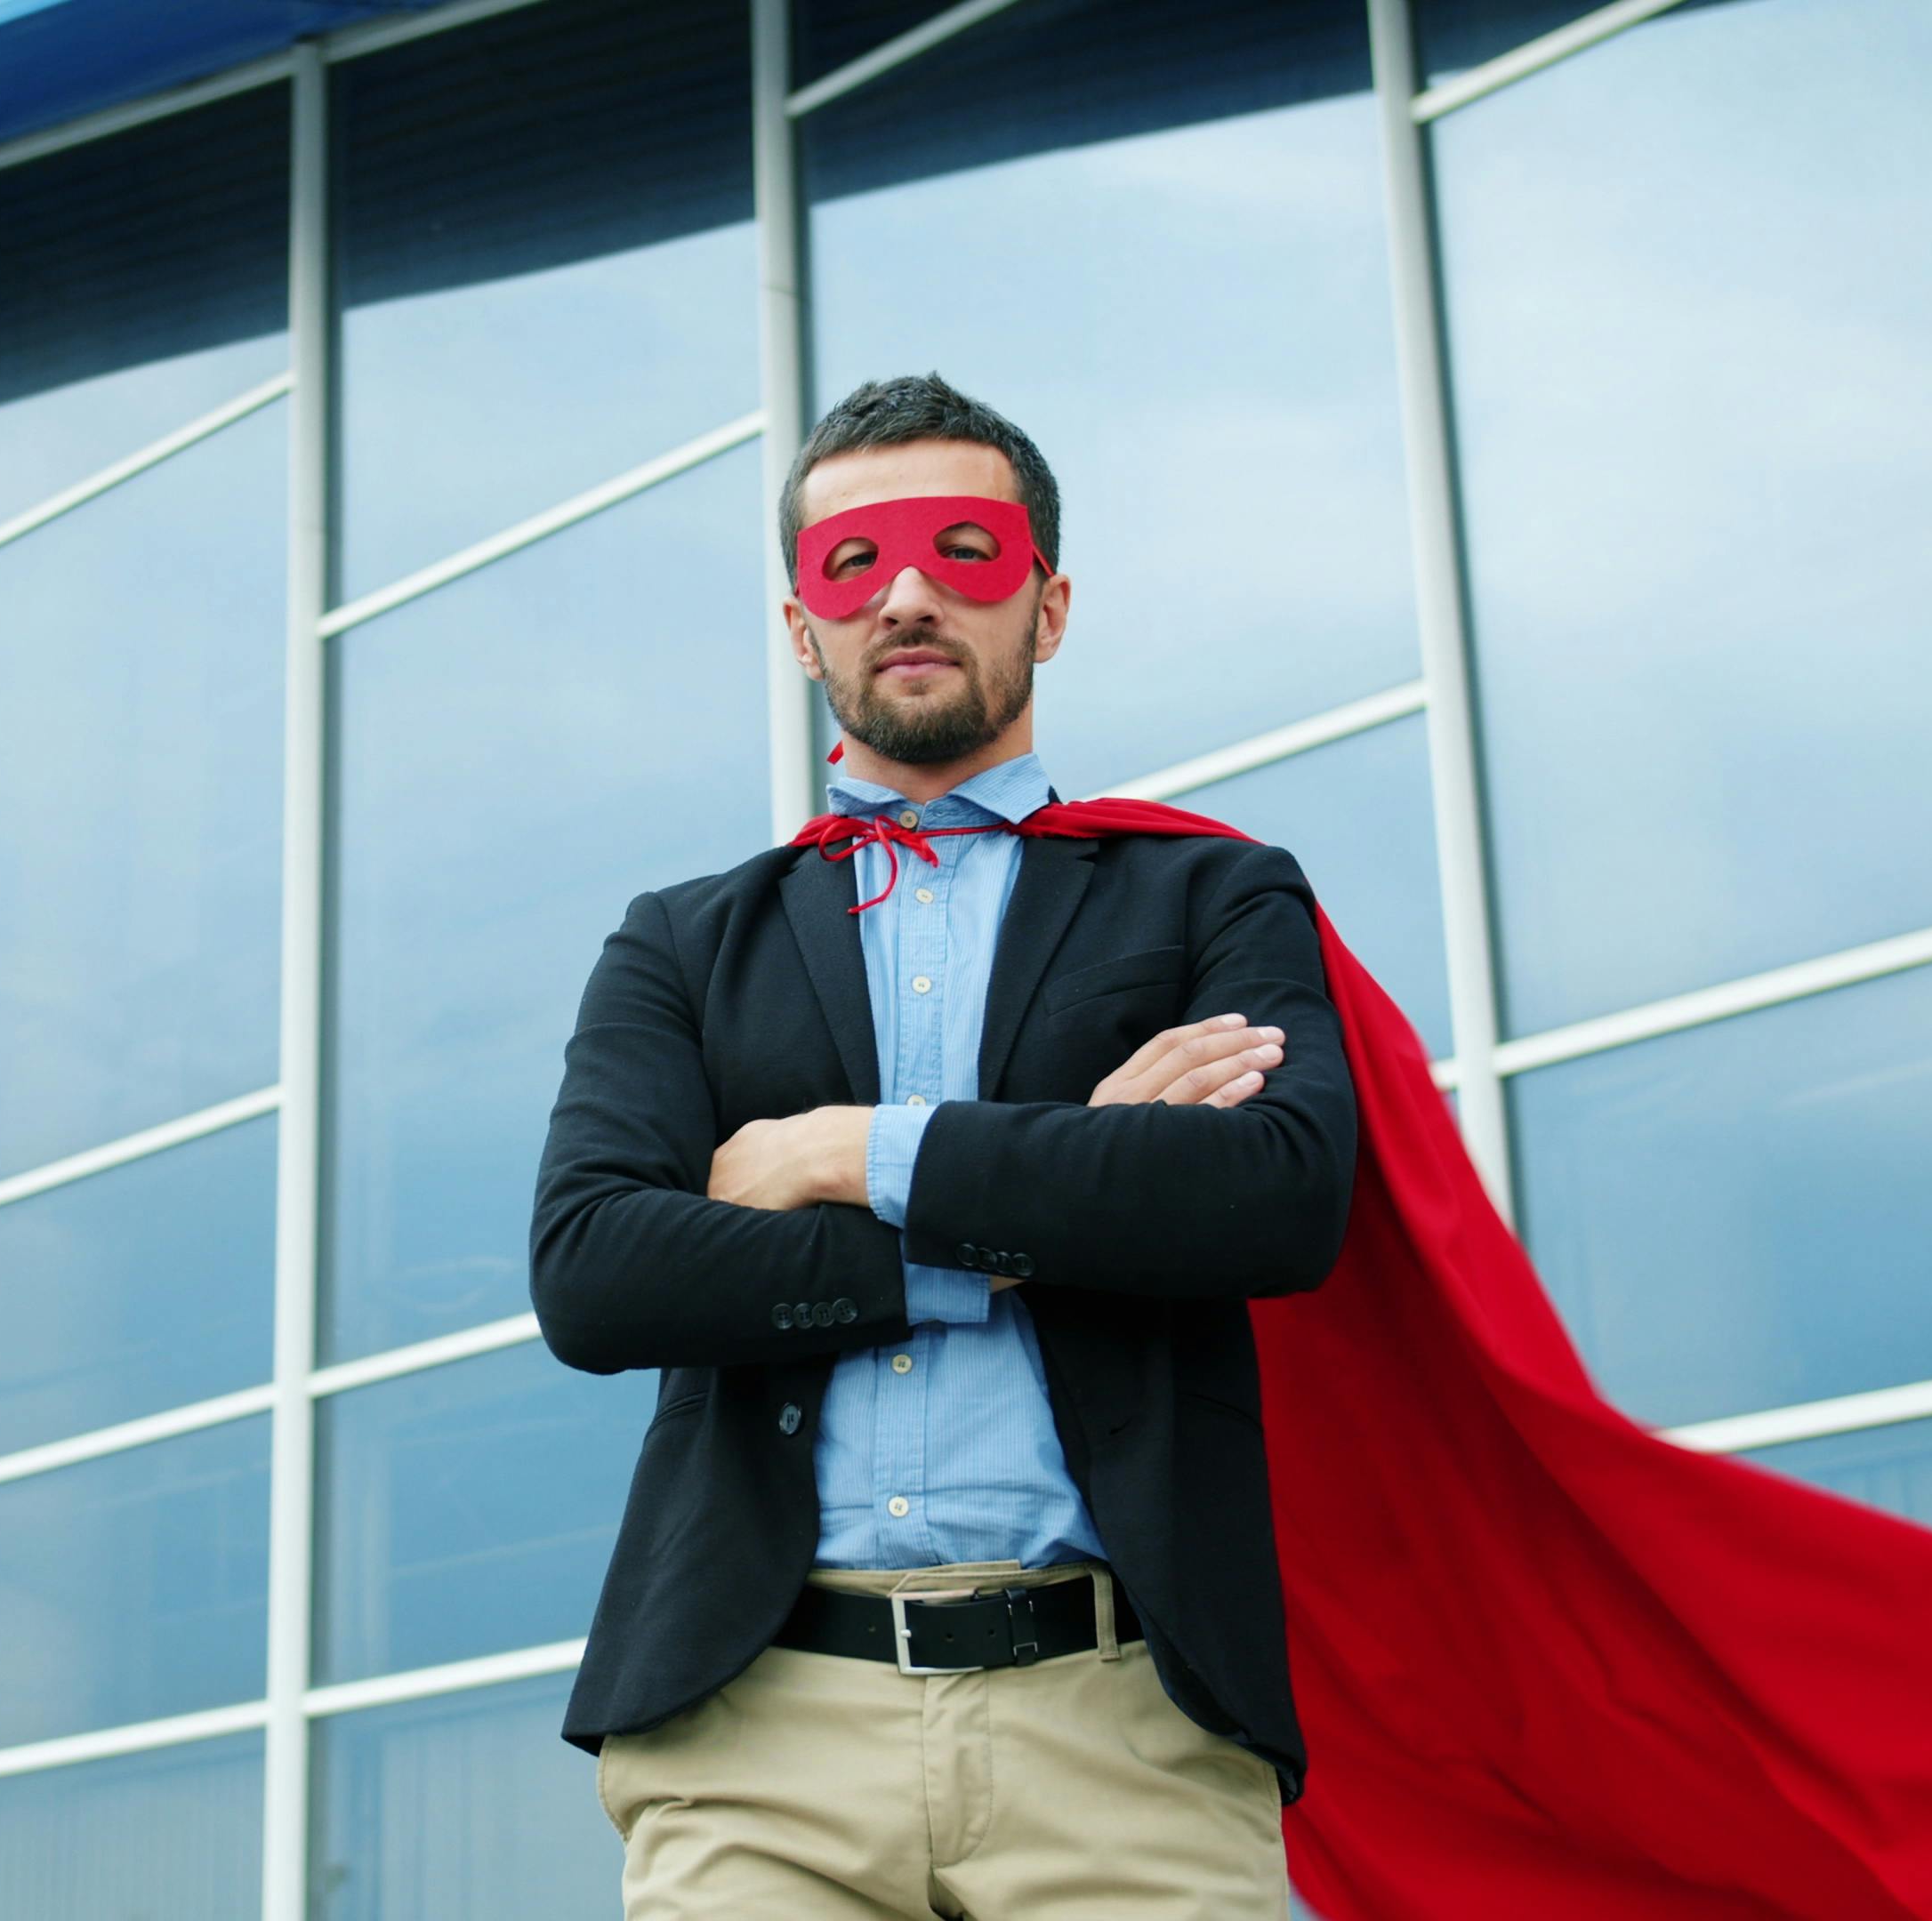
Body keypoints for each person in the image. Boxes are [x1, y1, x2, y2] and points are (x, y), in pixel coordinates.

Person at [532, 372, 1353, 1917]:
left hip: (1125, 1739)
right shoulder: (684, 945)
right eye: (854, 565)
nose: (906, 593)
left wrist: (848, 1148)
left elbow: (1275, 1199)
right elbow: (595, 1274)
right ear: (801, 629)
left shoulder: (1210, 896)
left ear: (1045, 606)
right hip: (756, 1740)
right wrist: (1053, 1191)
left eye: (961, 552)